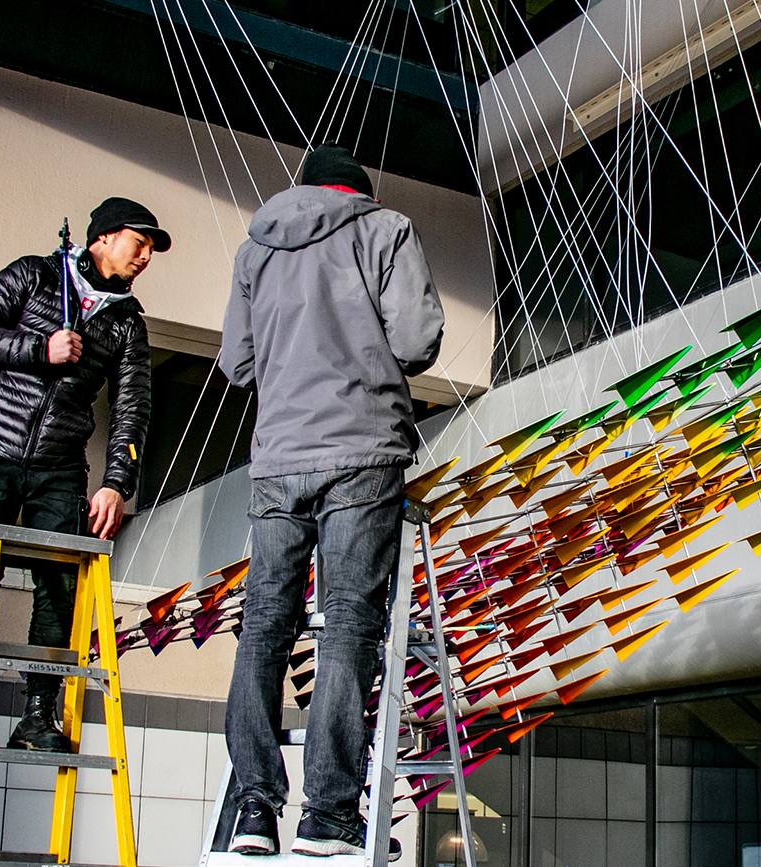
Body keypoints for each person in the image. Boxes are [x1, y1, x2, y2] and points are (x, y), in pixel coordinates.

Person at [219, 143, 444, 856]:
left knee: (264, 627)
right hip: (362, 450)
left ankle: (254, 805)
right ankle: (329, 814)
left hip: (279, 459)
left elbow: (237, 362)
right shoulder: (386, 229)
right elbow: (416, 339)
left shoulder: (255, 247)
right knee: (347, 623)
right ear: (360, 192)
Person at [0, 197, 164, 751]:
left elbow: (132, 409)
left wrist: (117, 484)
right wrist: (39, 349)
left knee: (61, 588)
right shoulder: (34, 274)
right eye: (139, 244)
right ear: (103, 238)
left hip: (61, 467)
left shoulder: (127, 325)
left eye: (149, 251)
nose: (144, 258)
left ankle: (38, 717)